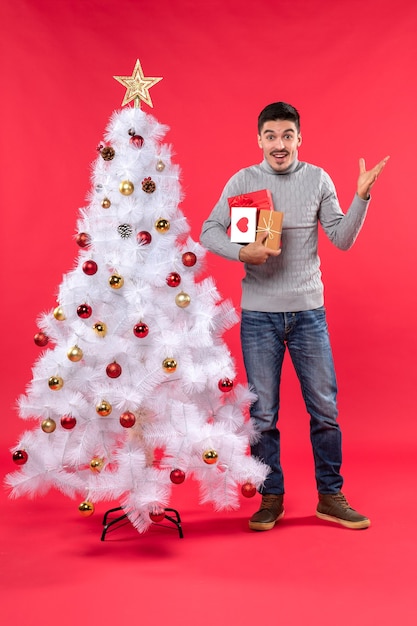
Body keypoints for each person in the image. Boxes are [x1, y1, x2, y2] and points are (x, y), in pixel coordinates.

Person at [200, 102, 389, 531]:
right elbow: (210, 230)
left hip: (308, 314)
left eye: (288, 135)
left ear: (299, 139)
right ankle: (271, 498)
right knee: (263, 415)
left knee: (325, 409)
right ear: (259, 140)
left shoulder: (318, 179)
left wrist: (361, 196)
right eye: (271, 136)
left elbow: (341, 238)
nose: (279, 144)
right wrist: (240, 250)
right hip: (259, 317)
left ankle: (330, 496)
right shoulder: (243, 181)